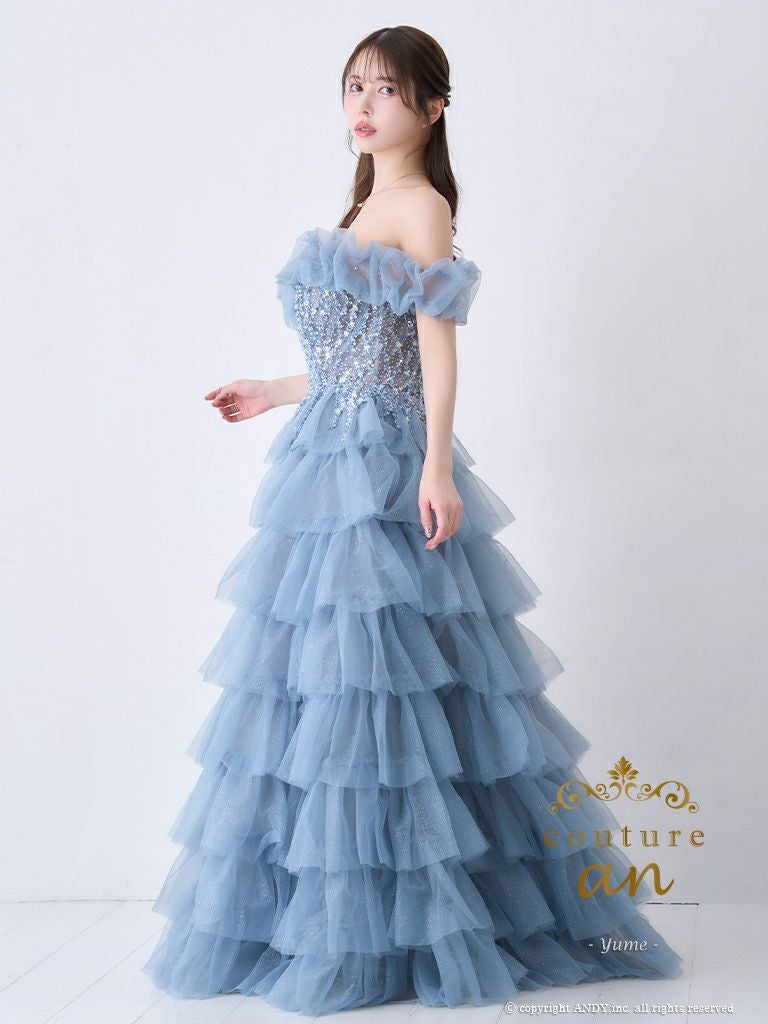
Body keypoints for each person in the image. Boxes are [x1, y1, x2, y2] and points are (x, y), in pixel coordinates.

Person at [142, 25, 684, 1016]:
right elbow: (359, 356)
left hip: (382, 466)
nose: (363, 105)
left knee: (382, 680)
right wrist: (272, 389)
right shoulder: (364, 206)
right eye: (354, 86)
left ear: (432, 108)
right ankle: (346, 915)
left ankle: (415, 925)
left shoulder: (421, 206)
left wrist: (436, 467)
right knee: (324, 679)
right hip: (326, 457)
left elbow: (436, 350)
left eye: (386, 90)